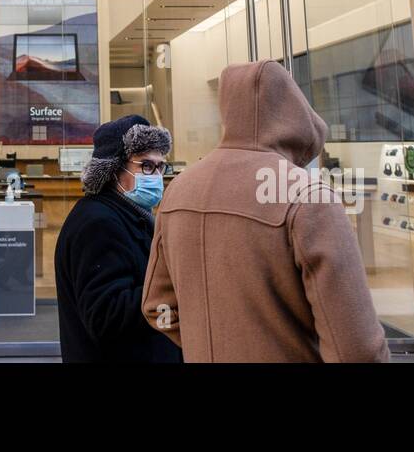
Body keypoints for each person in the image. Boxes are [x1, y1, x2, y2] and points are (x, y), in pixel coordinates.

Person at [141, 61, 389, 362]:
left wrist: (210, 343)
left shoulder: (179, 189)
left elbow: (157, 306)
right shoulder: (308, 197)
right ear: (295, 112)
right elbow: (356, 348)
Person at [54, 115, 182, 363]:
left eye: (160, 166)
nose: (156, 176)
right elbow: (106, 317)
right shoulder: (98, 223)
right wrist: (176, 287)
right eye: (146, 166)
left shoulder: (131, 215)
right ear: (113, 170)